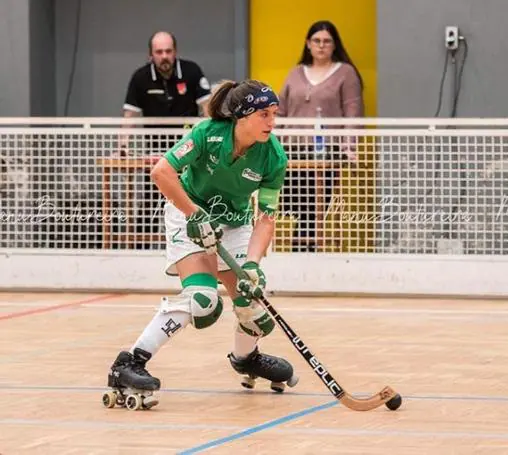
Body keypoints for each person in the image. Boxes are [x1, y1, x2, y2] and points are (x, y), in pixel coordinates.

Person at [104, 79, 297, 410]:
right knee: (203, 299)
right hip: (187, 211)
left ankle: (245, 358)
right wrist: (195, 215)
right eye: (264, 114)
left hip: (234, 223)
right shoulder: (207, 134)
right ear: (242, 115)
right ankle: (129, 362)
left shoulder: (274, 155)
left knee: (252, 303)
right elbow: (162, 172)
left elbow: (266, 217)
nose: (271, 122)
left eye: (274, 114)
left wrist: (251, 264)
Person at [118, 31, 212, 248]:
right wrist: (122, 147)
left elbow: (208, 109)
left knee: (191, 201)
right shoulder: (140, 78)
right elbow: (129, 116)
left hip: (189, 151)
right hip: (156, 154)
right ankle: (141, 251)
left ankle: (194, 246)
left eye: (168, 51)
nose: (164, 56)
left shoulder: (191, 71)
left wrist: (210, 143)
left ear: (175, 52)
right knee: (151, 203)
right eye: (159, 52)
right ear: (151, 54)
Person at [278, 20, 364, 252]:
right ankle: (301, 252)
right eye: (317, 41)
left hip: (326, 152)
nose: (321, 46)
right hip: (292, 152)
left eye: (327, 41)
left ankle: (305, 254)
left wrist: (349, 148)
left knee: (314, 205)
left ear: (334, 45)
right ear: (308, 44)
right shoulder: (295, 73)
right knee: (295, 206)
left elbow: (353, 113)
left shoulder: (345, 73)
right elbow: (279, 112)